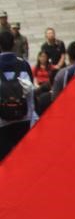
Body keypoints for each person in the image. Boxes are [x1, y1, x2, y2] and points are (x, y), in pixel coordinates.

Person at [0, 30, 36, 161]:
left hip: (2, 121)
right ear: (14, 43)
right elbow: (31, 92)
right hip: (23, 118)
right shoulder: (24, 64)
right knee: (24, 158)